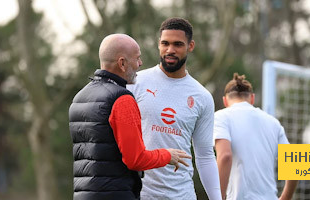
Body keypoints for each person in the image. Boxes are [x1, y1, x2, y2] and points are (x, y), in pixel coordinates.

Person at [69, 33, 191, 200]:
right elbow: (135, 159)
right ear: (122, 63)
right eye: (137, 58)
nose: (140, 64)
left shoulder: (80, 97)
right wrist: (167, 155)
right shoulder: (122, 99)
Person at [127, 18, 221, 200]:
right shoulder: (135, 83)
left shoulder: (202, 96)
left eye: (178, 44)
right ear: (158, 45)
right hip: (140, 193)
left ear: (190, 46)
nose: (170, 50)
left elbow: (205, 156)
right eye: (165, 43)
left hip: (182, 195)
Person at [213, 73, 298, 200]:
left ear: (225, 101)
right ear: (252, 98)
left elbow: (225, 156)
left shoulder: (221, 117)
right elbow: (293, 164)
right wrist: (285, 198)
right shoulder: (273, 122)